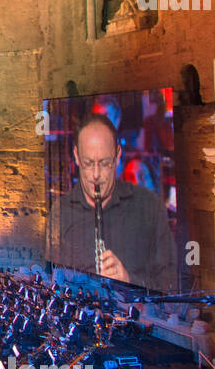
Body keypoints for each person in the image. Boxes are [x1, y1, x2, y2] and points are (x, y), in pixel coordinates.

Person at [56, 113, 176, 292]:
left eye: (140, 177)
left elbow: (170, 286)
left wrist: (128, 279)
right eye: (128, 178)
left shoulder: (155, 218)